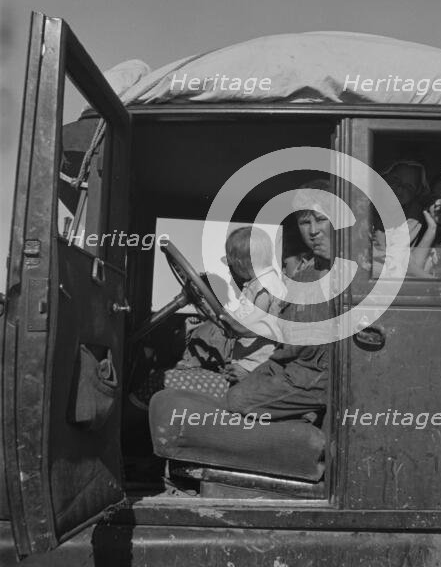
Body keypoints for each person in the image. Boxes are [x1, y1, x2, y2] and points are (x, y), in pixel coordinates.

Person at [130, 226, 286, 406]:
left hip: (252, 375)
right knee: (162, 377)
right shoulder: (257, 286)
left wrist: (231, 326)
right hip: (243, 369)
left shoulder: (265, 287)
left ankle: (125, 424)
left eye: (232, 265)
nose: (231, 270)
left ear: (241, 262)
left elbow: (252, 326)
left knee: (159, 381)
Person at [221, 179, 334, 421]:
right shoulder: (303, 276)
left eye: (321, 219)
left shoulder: (354, 272)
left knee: (236, 400)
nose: (313, 230)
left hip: (316, 377)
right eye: (305, 222)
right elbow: (284, 336)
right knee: (235, 390)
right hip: (289, 367)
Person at [372, 160, 439, 278]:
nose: (399, 190)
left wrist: (432, 228)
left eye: (409, 187)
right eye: (395, 181)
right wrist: (432, 281)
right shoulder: (364, 208)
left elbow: (411, 264)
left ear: (415, 195)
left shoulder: (411, 215)